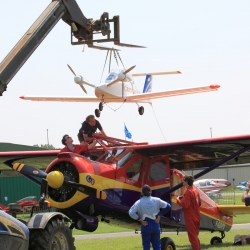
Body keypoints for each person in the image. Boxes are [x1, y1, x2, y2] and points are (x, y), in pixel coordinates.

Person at [128, 184, 171, 250]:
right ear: (150, 191)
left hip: (145, 224)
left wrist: (139, 219)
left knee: (146, 246)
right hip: (155, 224)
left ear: (142, 192)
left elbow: (131, 213)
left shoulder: (138, 202)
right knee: (157, 246)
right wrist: (159, 215)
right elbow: (168, 206)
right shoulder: (157, 200)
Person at [176, 175, 201, 250]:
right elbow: (199, 203)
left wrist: (178, 200)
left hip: (190, 218)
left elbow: (185, 205)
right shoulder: (195, 190)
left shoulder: (188, 192)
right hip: (197, 216)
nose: (182, 181)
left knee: (192, 238)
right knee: (195, 237)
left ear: (186, 182)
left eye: (183, 180)